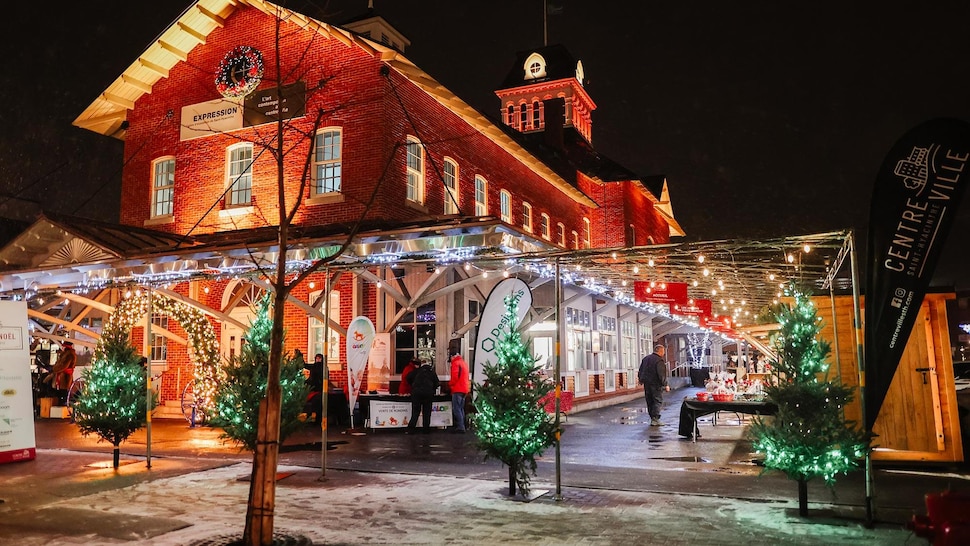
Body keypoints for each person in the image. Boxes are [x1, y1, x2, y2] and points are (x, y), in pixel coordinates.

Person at [638, 343, 669, 426]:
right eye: (663, 352)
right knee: (657, 400)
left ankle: (652, 418)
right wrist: (665, 384)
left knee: (650, 401)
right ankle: (655, 419)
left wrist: (641, 379)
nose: (664, 354)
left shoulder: (645, 359)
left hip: (647, 384)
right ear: (660, 351)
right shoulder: (659, 361)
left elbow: (641, 370)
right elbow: (661, 374)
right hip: (656, 384)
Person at [405, 358, 439, 434]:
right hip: (428, 393)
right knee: (427, 412)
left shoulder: (417, 371)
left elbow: (408, 377)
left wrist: (413, 386)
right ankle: (426, 429)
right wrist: (432, 389)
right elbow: (437, 383)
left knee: (415, 411)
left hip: (416, 393)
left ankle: (411, 429)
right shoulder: (432, 372)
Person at [449, 350, 470, 433]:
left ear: (452, 357)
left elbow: (455, 377)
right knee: (461, 408)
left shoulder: (456, 363)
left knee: (456, 408)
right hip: (464, 389)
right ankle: (463, 425)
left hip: (458, 388)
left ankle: (461, 427)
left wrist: (450, 384)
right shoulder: (463, 363)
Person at [304, 353, 325, 424]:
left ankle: (317, 420)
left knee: (318, 405)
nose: (318, 360)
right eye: (317, 358)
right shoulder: (314, 366)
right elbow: (306, 365)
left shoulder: (323, 367)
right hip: (312, 388)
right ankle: (309, 418)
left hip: (319, 389)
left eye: (319, 358)